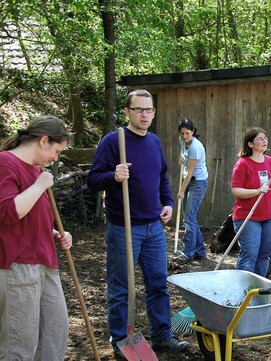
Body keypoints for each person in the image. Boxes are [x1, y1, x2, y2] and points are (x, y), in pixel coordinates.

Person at [87, 89, 190, 358]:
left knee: (158, 283)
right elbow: (93, 180)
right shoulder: (113, 141)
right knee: (122, 287)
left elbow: (162, 177)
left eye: (149, 110)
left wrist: (167, 203)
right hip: (124, 227)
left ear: (154, 112)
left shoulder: (154, 142)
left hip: (153, 227)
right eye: (139, 109)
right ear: (127, 112)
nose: (144, 114)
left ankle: (162, 335)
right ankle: (120, 339)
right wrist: (114, 175)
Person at [0, 115, 73, 360]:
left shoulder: (35, 170)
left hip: (44, 262)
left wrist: (53, 233)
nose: (55, 158)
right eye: (56, 150)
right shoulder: (5, 163)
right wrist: (40, 186)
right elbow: (8, 212)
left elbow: (29, 218)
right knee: (20, 343)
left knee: (55, 332)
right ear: (44, 141)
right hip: (18, 266)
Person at [230, 127, 271, 277]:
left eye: (265, 138)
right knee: (249, 256)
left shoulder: (269, 161)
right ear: (250, 144)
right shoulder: (242, 164)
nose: (264, 141)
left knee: (265, 254)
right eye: (260, 139)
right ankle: (243, 294)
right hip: (247, 217)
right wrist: (256, 191)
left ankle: (259, 291)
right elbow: (235, 190)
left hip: (270, 216)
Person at [173, 118, 208, 264]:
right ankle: (200, 251)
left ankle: (187, 253)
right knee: (190, 218)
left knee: (188, 218)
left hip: (197, 183)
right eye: (182, 133)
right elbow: (182, 159)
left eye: (188, 133)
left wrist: (181, 190)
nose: (185, 136)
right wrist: (181, 158)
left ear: (193, 131)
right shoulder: (182, 140)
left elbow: (190, 172)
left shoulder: (196, 147)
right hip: (189, 179)